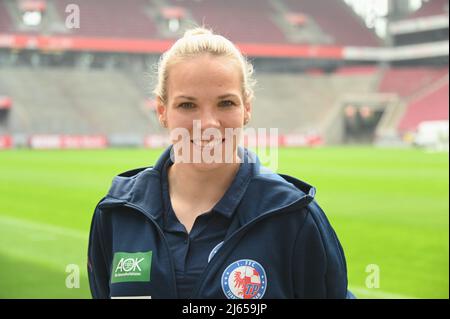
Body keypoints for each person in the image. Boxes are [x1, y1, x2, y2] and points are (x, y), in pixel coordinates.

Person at [87, 27, 350, 299]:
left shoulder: (293, 217)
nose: (209, 124)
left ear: (246, 109)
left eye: (225, 103)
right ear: (162, 111)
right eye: (187, 105)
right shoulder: (118, 214)